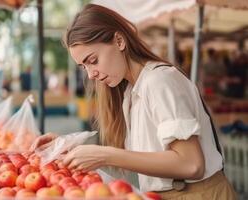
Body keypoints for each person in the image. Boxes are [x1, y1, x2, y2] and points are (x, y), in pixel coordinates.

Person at [30, 4, 236, 199]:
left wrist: (105, 155)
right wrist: (72, 150)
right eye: (83, 67)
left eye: (93, 61)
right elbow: (146, 158)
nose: (91, 74)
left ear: (119, 41)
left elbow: (191, 164)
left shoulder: (159, 81)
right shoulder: (130, 92)